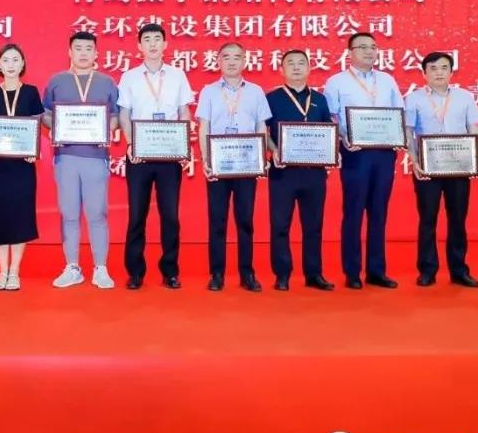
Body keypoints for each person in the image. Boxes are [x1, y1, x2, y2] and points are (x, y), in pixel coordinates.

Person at [323, 32, 403, 289]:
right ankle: (352, 272)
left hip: (384, 152)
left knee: (379, 212)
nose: (369, 51)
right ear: (350, 52)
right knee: (354, 211)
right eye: (363, 47)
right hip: (355, 152)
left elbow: (398, 112)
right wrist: (343, 138)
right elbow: (332, 117)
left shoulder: (387, 80)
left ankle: (376, 270)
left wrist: (398, 137)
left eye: (373, 47)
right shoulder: (336, 82)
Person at [117, 23, 194, 290]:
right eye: (147, 39)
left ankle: (170, 271)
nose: (152, 44)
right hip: (139, 156)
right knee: (137, 215)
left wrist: (183, 146)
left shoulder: (177, 75)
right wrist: (131, 144)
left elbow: (184, 112)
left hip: (169, 156)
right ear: (139, 46)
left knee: (170, 215)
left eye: (157, 39)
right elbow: (124, 114)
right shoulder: (129, 77)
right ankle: (135, 272)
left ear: (165, 44)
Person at [42, 31, 119, 289]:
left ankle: (101, 268)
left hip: (96, 157)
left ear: (96, 53)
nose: (83, 53)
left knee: (97, 213)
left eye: (88, 48)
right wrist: (57, 126)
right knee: (69, 213)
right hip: (65, 157)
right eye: (78, 48)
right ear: (70, 52)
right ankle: (72, 266)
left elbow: (115, 116)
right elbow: (45, 114)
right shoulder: (57, 81)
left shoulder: (107, 82)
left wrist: (106, 129)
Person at [404, 52, 478, 288]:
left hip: (459, 167)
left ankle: (459, 270)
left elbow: (473, 129)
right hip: (427, 168)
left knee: (458, 219)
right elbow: (408, 132)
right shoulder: (414, 99)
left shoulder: (464, 97)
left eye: (443, 67)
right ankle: (427, 270)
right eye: (433, 68)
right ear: (424, 73)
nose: (439, 72)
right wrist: (414, 160)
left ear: (451, 71)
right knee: (427, 219)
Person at [197, 42, 270, 292]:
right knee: (217, 221)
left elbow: (261, 126)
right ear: (218, 61)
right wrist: (206, 161)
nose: (231, 62)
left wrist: (261, 158)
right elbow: (204, 127)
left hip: (246, 166)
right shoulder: (208, 91)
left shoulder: (256, 92)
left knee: (245, 221)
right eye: (226, 57)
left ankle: (247, 273)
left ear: (244, 61)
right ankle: (217, 274)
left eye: (237, 57)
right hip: (218, 165)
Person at [265, 49, 335, 291]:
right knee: (280, 225)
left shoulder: (320, 99)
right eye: (291, 63)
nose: (296, 67)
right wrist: (274, 150)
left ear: (309, 68)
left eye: (301, 63)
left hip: (314, 173)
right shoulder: (271, 98)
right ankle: (282, 274)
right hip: (283, 172)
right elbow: (263, 130)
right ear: (282, 69)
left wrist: (331, 152)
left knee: (313, 225)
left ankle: (314, 274)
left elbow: (328, 130)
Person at [0, 44, 43, 290]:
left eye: (16, 59)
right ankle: (2, 271)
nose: (11, 64)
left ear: (23, 63)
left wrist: (33, 151)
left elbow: (36, 125)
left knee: (20, 216)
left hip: (22, 167)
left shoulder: (31, 92)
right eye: (6, 60)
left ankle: (14, 271)